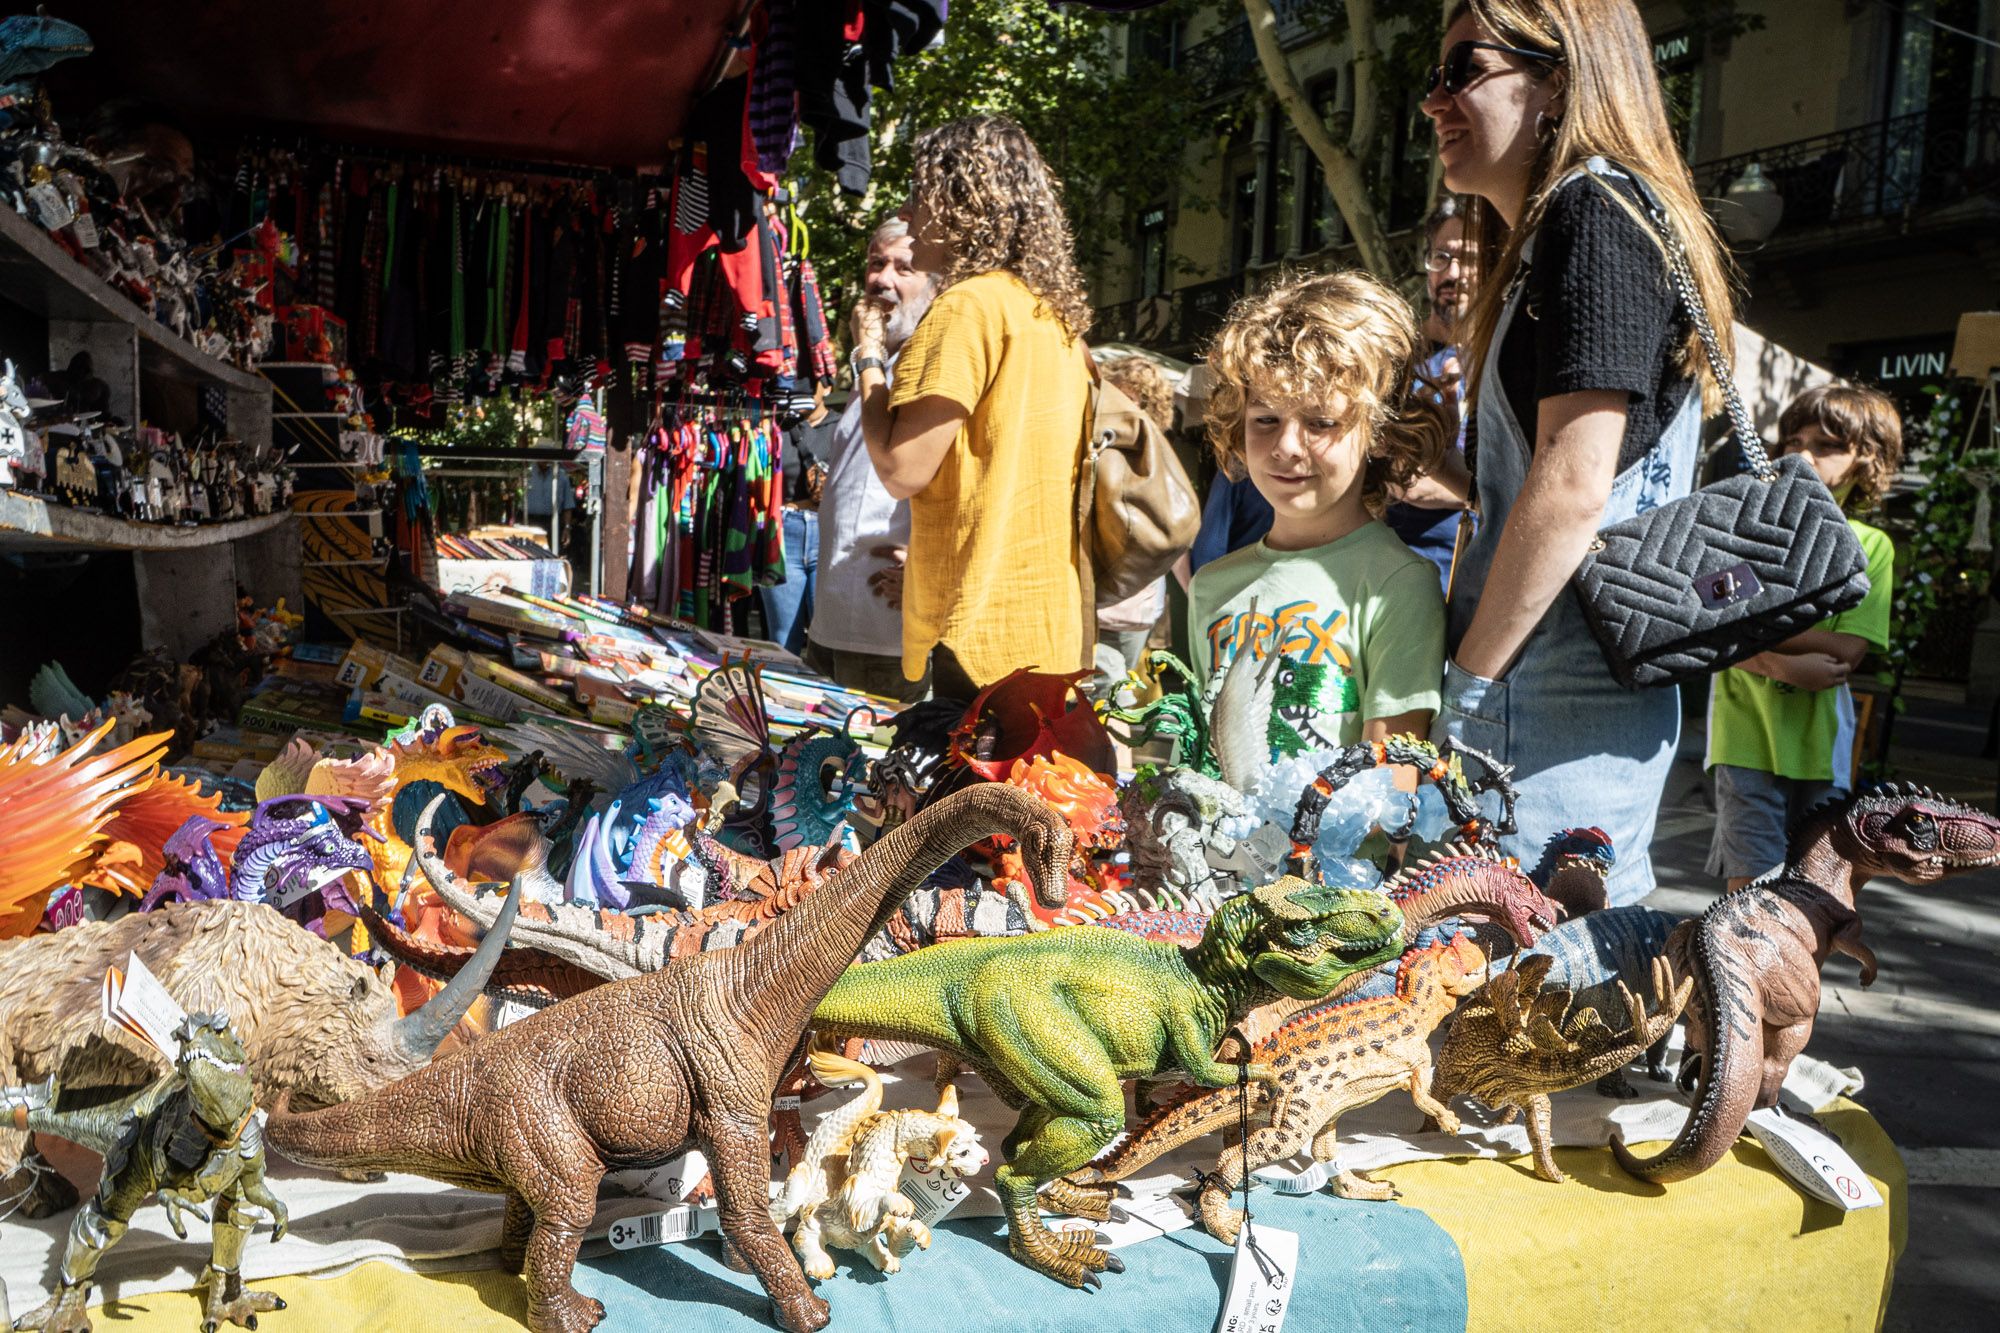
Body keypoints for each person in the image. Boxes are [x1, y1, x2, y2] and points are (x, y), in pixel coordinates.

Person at [1421, 0, 1738, 905]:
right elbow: (1547, 482)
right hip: (1566, 698)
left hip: (1545, 712)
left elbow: (1571, 489)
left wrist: (1470, 685)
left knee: (1520, 1013)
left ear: (1557, 76)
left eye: (1461, 71)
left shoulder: (1593, 211)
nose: (1434, 102)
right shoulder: (1579, 222)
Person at [849, 115, 1094, 701]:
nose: (906, 216)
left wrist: (868, 356)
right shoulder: (1051, 317)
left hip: (976, 633)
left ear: (959, 203)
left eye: (918, 194)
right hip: (1045, 631)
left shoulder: (969, 307)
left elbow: (901, 469)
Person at [1187, 271, 1452, 764]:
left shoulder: (1398, 584)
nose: (1287, 447)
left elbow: (1393, 780)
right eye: (1265, 419)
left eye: (1320, 422)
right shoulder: (1210, 587)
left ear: (1378, 431)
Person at [1706, 383, 1900, 891]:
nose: (1804, 456)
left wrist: (1752, 636)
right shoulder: (1743, 530)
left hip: (1821, 743)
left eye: (1828, 445)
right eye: (1794, 441)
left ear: (1865, 458)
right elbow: (1710, 634)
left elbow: (1848, 649)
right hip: (1742, 734)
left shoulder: (1872, 546)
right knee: (1748, 896)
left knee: (1813, 891)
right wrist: (1783, 665)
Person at [802, 219, 938, 702]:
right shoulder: (878, 365)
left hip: (886, 635)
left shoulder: (931, 363)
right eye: (876, 264)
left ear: (933, 283)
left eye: (904, 267)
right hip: (834, 620)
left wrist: (928, 571)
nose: (883, 278)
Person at [1384, 198, 1477, 589]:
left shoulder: (1510, 365)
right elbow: (1397, 479)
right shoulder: (1395, 362)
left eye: (1467, 258)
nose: (1452, 273)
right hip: (1400, 581)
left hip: (1482, 584)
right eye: (1441, 257)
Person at [1094, 354, 1176, 677]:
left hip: (1127, 605)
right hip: (1103, 602)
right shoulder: (1099, 445)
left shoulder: (1149, 460)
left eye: (1129, 399)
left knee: (1111, 693)